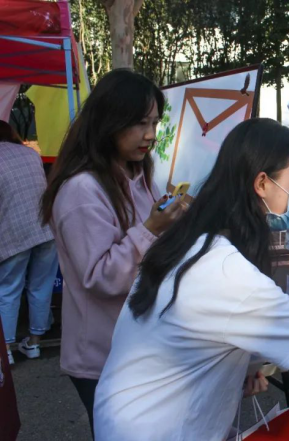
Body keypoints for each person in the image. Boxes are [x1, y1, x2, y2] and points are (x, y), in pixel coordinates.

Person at [93, 118, 289, 440]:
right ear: (262, 183)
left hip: (123, 420)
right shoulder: (226, 272)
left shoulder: (189, 241)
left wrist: (236, 366)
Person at [40, 70, 186, 433]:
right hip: (104, 356)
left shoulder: (137, 174)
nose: (150, 134)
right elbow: (102, 276)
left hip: (139, 347)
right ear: (109, 120)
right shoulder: (81, 190)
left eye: (154, 122)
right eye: (139, 123)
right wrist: (152, 228)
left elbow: (154, 248)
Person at [0, 121, 59, 366]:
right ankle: (34, 343)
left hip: (14, 233)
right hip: (46, 229)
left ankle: (6, 349)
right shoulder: (30, 154)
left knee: (8, 290)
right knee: (41, 286)